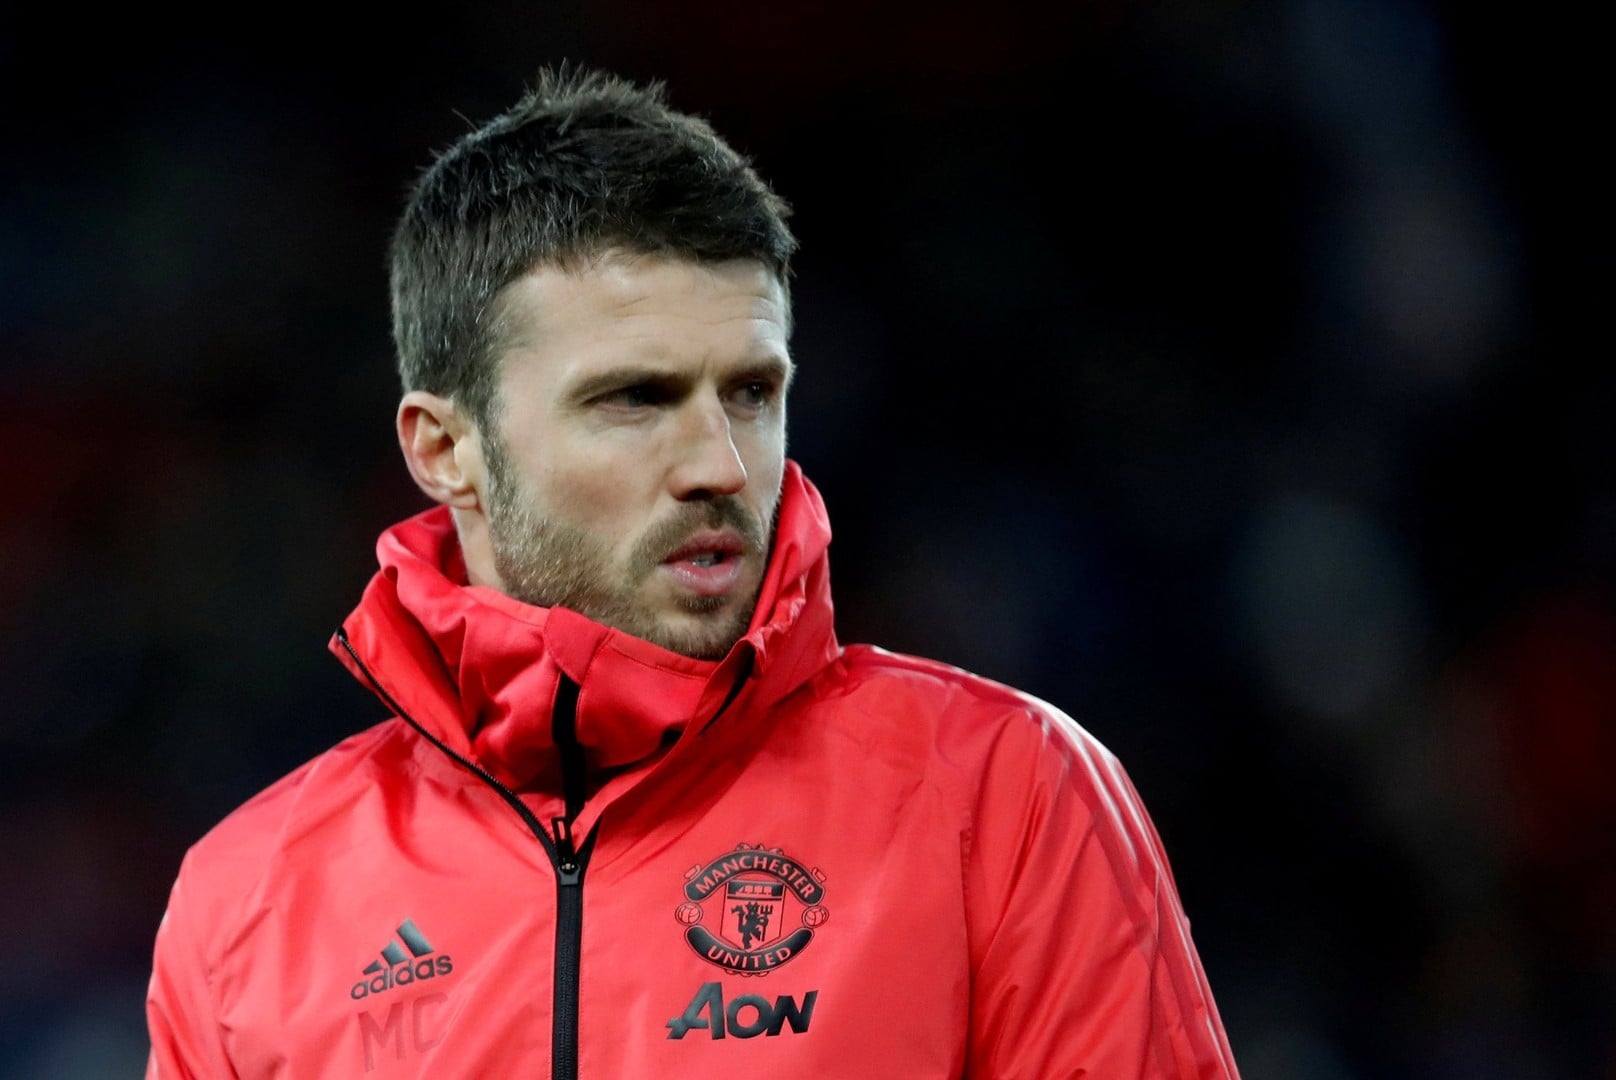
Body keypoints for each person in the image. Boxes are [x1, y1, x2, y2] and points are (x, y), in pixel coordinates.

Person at [144, 63, 1240, 1078]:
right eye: (635, 398)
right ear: (445, 450)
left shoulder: (1002, 798)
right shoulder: (245, 906)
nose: (721, 465)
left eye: (752, 393)